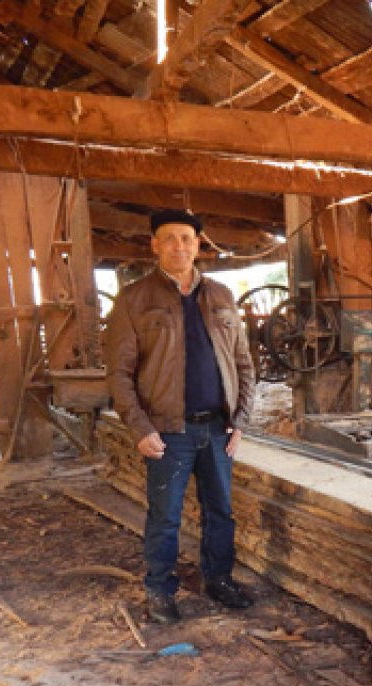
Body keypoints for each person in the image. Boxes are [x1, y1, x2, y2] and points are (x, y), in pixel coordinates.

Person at [106, 209, 256, 624]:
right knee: (165, 516)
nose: (179, 246)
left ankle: (219, 580)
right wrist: (139, 427)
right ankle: (159, 589)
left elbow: (244, 363)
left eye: (186, 238)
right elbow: (118, 373)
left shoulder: (221, 295)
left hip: (218, 427)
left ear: (198, 244)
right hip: (167, 431)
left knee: (221, 511)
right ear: (155, 245)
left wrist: (240, 419)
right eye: (169, 239)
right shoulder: (135, 299)